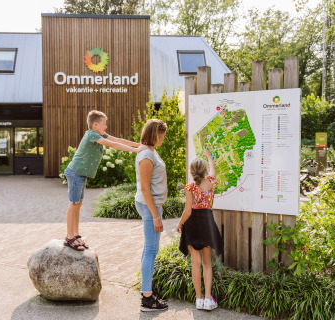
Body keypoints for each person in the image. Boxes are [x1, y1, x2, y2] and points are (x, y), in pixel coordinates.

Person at [64, 110, 145, 251]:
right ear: (95, 124)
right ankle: (69, 237)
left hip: (80, 174)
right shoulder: (92, 135)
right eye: (104, 124)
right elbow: (113, 145)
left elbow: (117, 140)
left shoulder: (98, 133)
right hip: (75, 173)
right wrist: (137, 151)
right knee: (74, 203)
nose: (106, 127)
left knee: (78, 204)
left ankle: (76, 235)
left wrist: (139, 145)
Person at [176, 148, 224, 311]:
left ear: (191, 172)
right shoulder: (211, 183)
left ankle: (198, 299)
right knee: (207, 263)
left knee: (195, 264)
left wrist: (179, 223)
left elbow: (187, 211)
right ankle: (208, 299)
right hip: (207, 223)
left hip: (193, 225)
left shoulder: (190, 188)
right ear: (204, 172)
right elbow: (213, 170)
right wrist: (209, 156)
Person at [135, 119, 169, 312]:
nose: (163, 138)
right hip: (148, 205)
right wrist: (155, 215)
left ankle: (146, 290)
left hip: (152, 205)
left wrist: (159, 206)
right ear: (153, 134)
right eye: (161, 135)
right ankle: (147, 299)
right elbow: (146, 188)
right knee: (151, 250)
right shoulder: (147, 155)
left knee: (149, 249)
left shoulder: (148, 150)